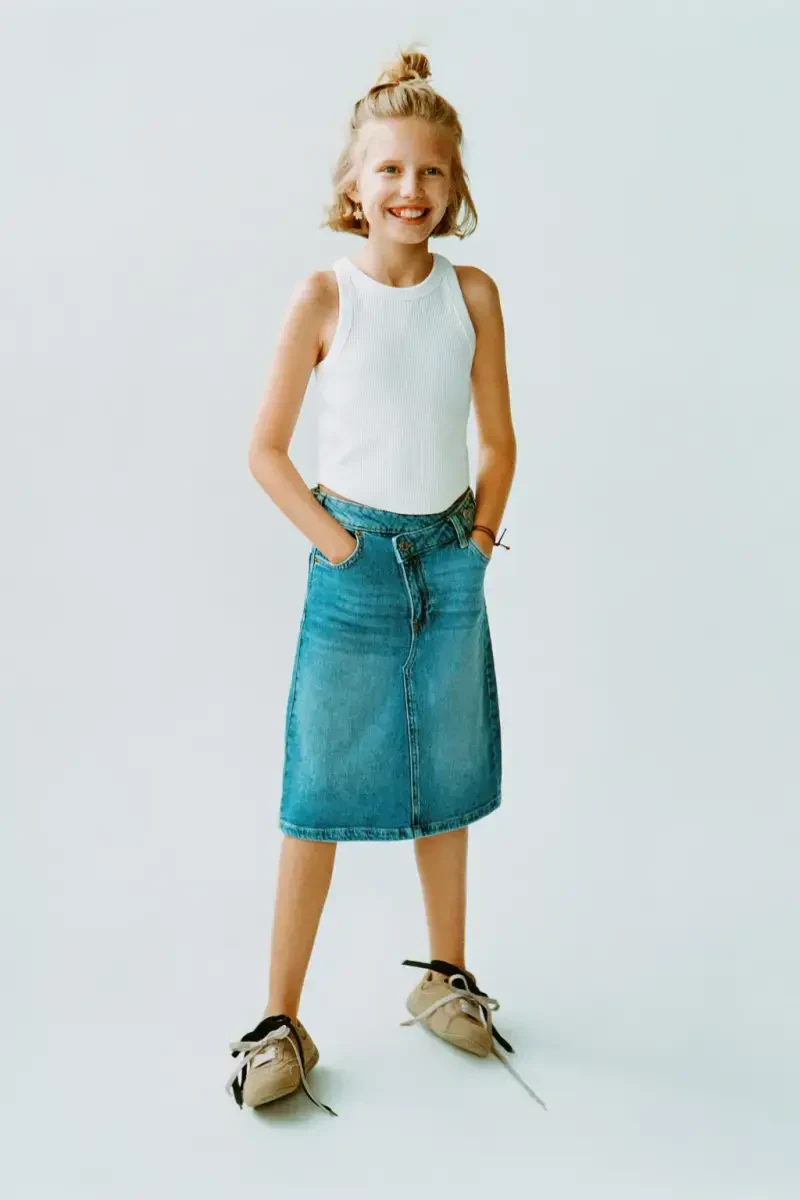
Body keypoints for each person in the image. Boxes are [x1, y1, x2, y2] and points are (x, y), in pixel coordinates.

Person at [226, 46, 545, 1117]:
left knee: (445, 775)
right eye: (391, 170)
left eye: (432, 171)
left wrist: (478, 543)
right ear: (353, 184)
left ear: (455, 187)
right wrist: (339, 547)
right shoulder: (324, 297)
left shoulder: (472, 295)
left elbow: (498, 439)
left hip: (449, 561)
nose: (412, 189)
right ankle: (277, 1021)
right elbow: (265, 450)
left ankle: (445, 976)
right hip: (354, 567)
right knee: (318, 790)